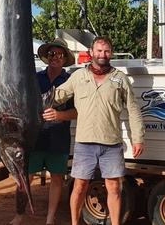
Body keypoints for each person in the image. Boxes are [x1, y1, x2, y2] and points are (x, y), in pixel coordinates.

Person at [52, 36, 145, 225]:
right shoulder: (78, 77)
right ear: (91, 53)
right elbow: (57, 96)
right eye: (99, 51)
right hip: (84, 144)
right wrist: (37, 102)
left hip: (111, 144)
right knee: (79, 186)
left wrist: (138, 138)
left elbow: (133, 109)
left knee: (114, 188)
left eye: (107, 51)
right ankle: (74, 223)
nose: (103, 54)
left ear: (111, 53)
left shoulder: (120, 79)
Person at [11, 38, 77, 225]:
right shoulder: (35, 78)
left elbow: (77, 112)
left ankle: (50, 219)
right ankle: (19, 215)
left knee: (56, 179)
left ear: (65, 59)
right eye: (51, 54)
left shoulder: (71, 81)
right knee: (25, 178)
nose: (55, 57)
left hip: (58, 138)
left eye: (59, 54)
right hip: (33, 137)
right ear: (46, 57)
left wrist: (59, 115)